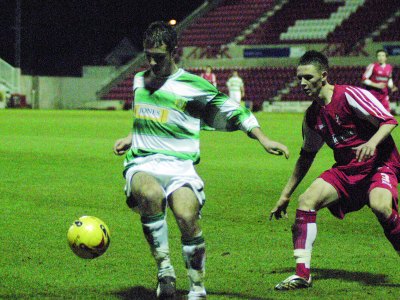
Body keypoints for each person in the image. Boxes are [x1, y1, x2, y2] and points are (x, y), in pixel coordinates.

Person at [113, 21, 289, 299]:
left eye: (157, 56)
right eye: (147, 55)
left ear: (173, 52)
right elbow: (151, 116)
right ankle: (165, 270)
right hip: (143, 162)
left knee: (186, 215)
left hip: (180, 166)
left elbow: (233, 111)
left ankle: (197, 287)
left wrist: (264, 139)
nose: (150, 61)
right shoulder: (139, 80)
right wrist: (132, 137)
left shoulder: (193, 87)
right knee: (150, 193)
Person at [270, 50, 400, 291]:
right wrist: (285, 194)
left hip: (378, 164)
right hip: (346, 170)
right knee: (306, 200)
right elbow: (306, 156)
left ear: (324, 76)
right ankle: (302, 274)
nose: (302, 83)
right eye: (299, 78)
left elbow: (389, 120)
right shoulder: (312, 116)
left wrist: (371, 143)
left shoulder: (350, 95)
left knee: (381, 206)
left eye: (308, 77)